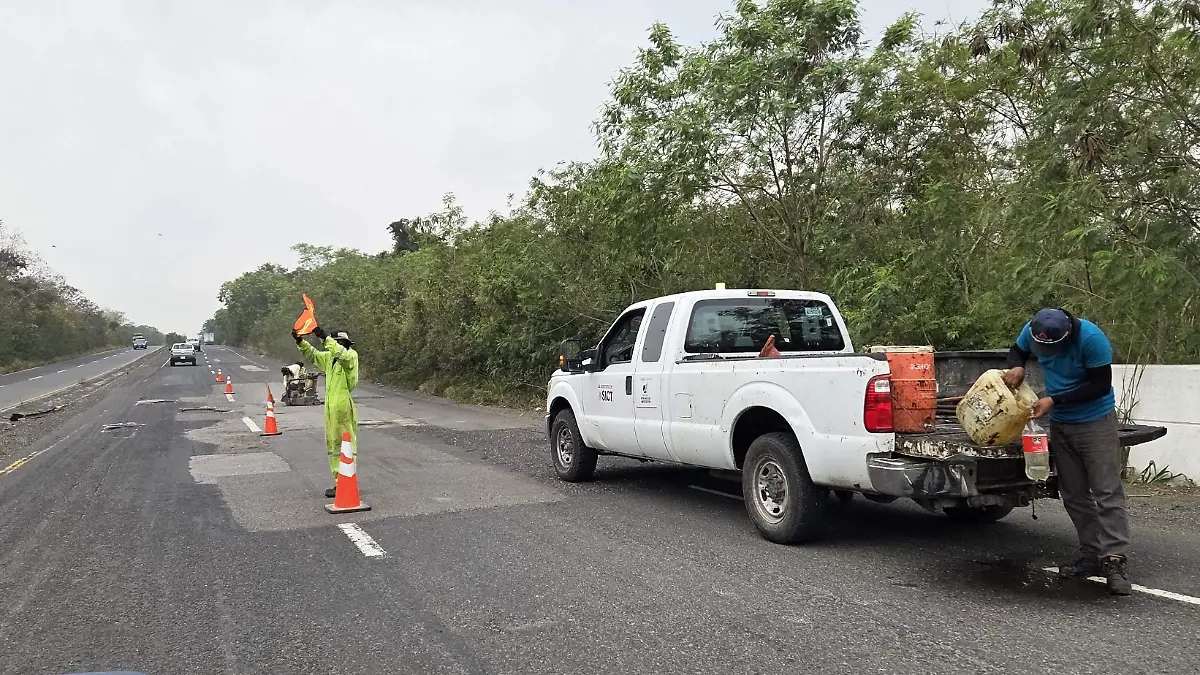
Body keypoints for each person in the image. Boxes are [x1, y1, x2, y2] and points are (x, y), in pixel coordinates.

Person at [1003, 307, 1131, 595]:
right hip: (1061, 425)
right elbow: (1017, 350)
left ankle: (1114, 560)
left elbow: (1100, 385)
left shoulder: (1092, 339)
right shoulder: (1034, 328)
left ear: (1067, 336)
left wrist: (1054, 400)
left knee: (1106, 492)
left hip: (1095, 422)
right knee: (1074, 495)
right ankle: (1092, 555)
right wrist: (1018, 365)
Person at [292, 325, 359, 498]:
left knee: (344, 444)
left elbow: (341, 354)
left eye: (334, 343)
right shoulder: (331, 358)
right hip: (331, 405)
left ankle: (346, 480)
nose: (331, 347)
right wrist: (300, 341)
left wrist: (324, 338)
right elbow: (313, 355)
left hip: (342, 403)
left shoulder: (350, 356)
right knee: (333, 444)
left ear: (340, 343)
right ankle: (340, 481)